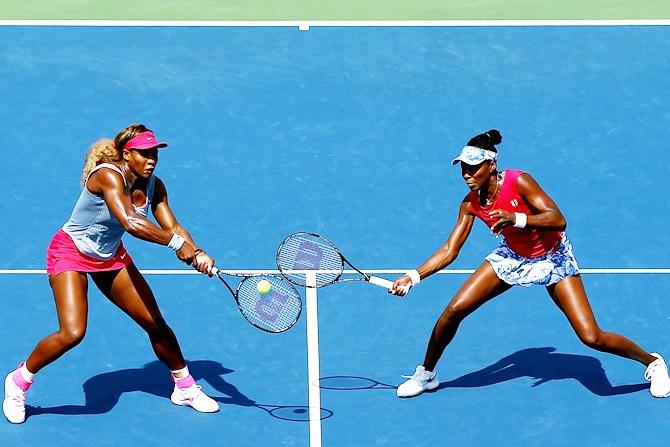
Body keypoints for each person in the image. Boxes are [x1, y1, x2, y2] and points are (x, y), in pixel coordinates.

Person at [390, 129, 670, 399]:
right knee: (453, 311)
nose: (466, 174)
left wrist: (516, 219)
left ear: (491, 164)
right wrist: (412, 276)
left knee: (591, 336)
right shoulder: (470, 203)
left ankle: (653, 362)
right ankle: (427, 374)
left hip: (552, 258)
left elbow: (557, 219)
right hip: (513, 256)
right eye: (462, 167)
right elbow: (450, 249)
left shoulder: (519, 181)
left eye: (473, 167)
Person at [3, 124, 219, 424]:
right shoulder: (107, 175)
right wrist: (177, 244)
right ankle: (18, 380)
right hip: (70, 253)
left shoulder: (156, 186)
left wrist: (196, 251)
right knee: (73, 333)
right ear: (126, 155)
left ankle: (184, 387)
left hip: (109, 256)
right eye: (144, 153)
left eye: (154, 152)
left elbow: (172, 225)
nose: (151, 159)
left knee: (155, 324)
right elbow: (130, 221)